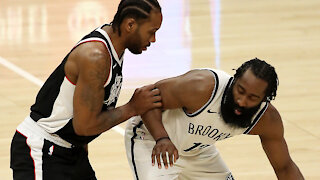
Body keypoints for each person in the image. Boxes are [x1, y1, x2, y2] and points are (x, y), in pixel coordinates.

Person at [10, 0, 163, 179]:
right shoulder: (96, 56)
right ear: (130, 24)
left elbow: (88, 110)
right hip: (43, 149)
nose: (153, 39)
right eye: (151, 32)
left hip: (71, 150)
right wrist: (132, 108)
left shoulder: (115, 44)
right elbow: (84, 125)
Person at [125, 58, 304, 180]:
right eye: (240, 90)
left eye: (252, 98)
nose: (242, 101)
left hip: (196, 151)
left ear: (264, 100)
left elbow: (285, 168)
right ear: (234, 80)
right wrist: (161, 138)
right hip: (152, 139)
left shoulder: (266, 120)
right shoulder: (201, 86)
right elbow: (146, 98)